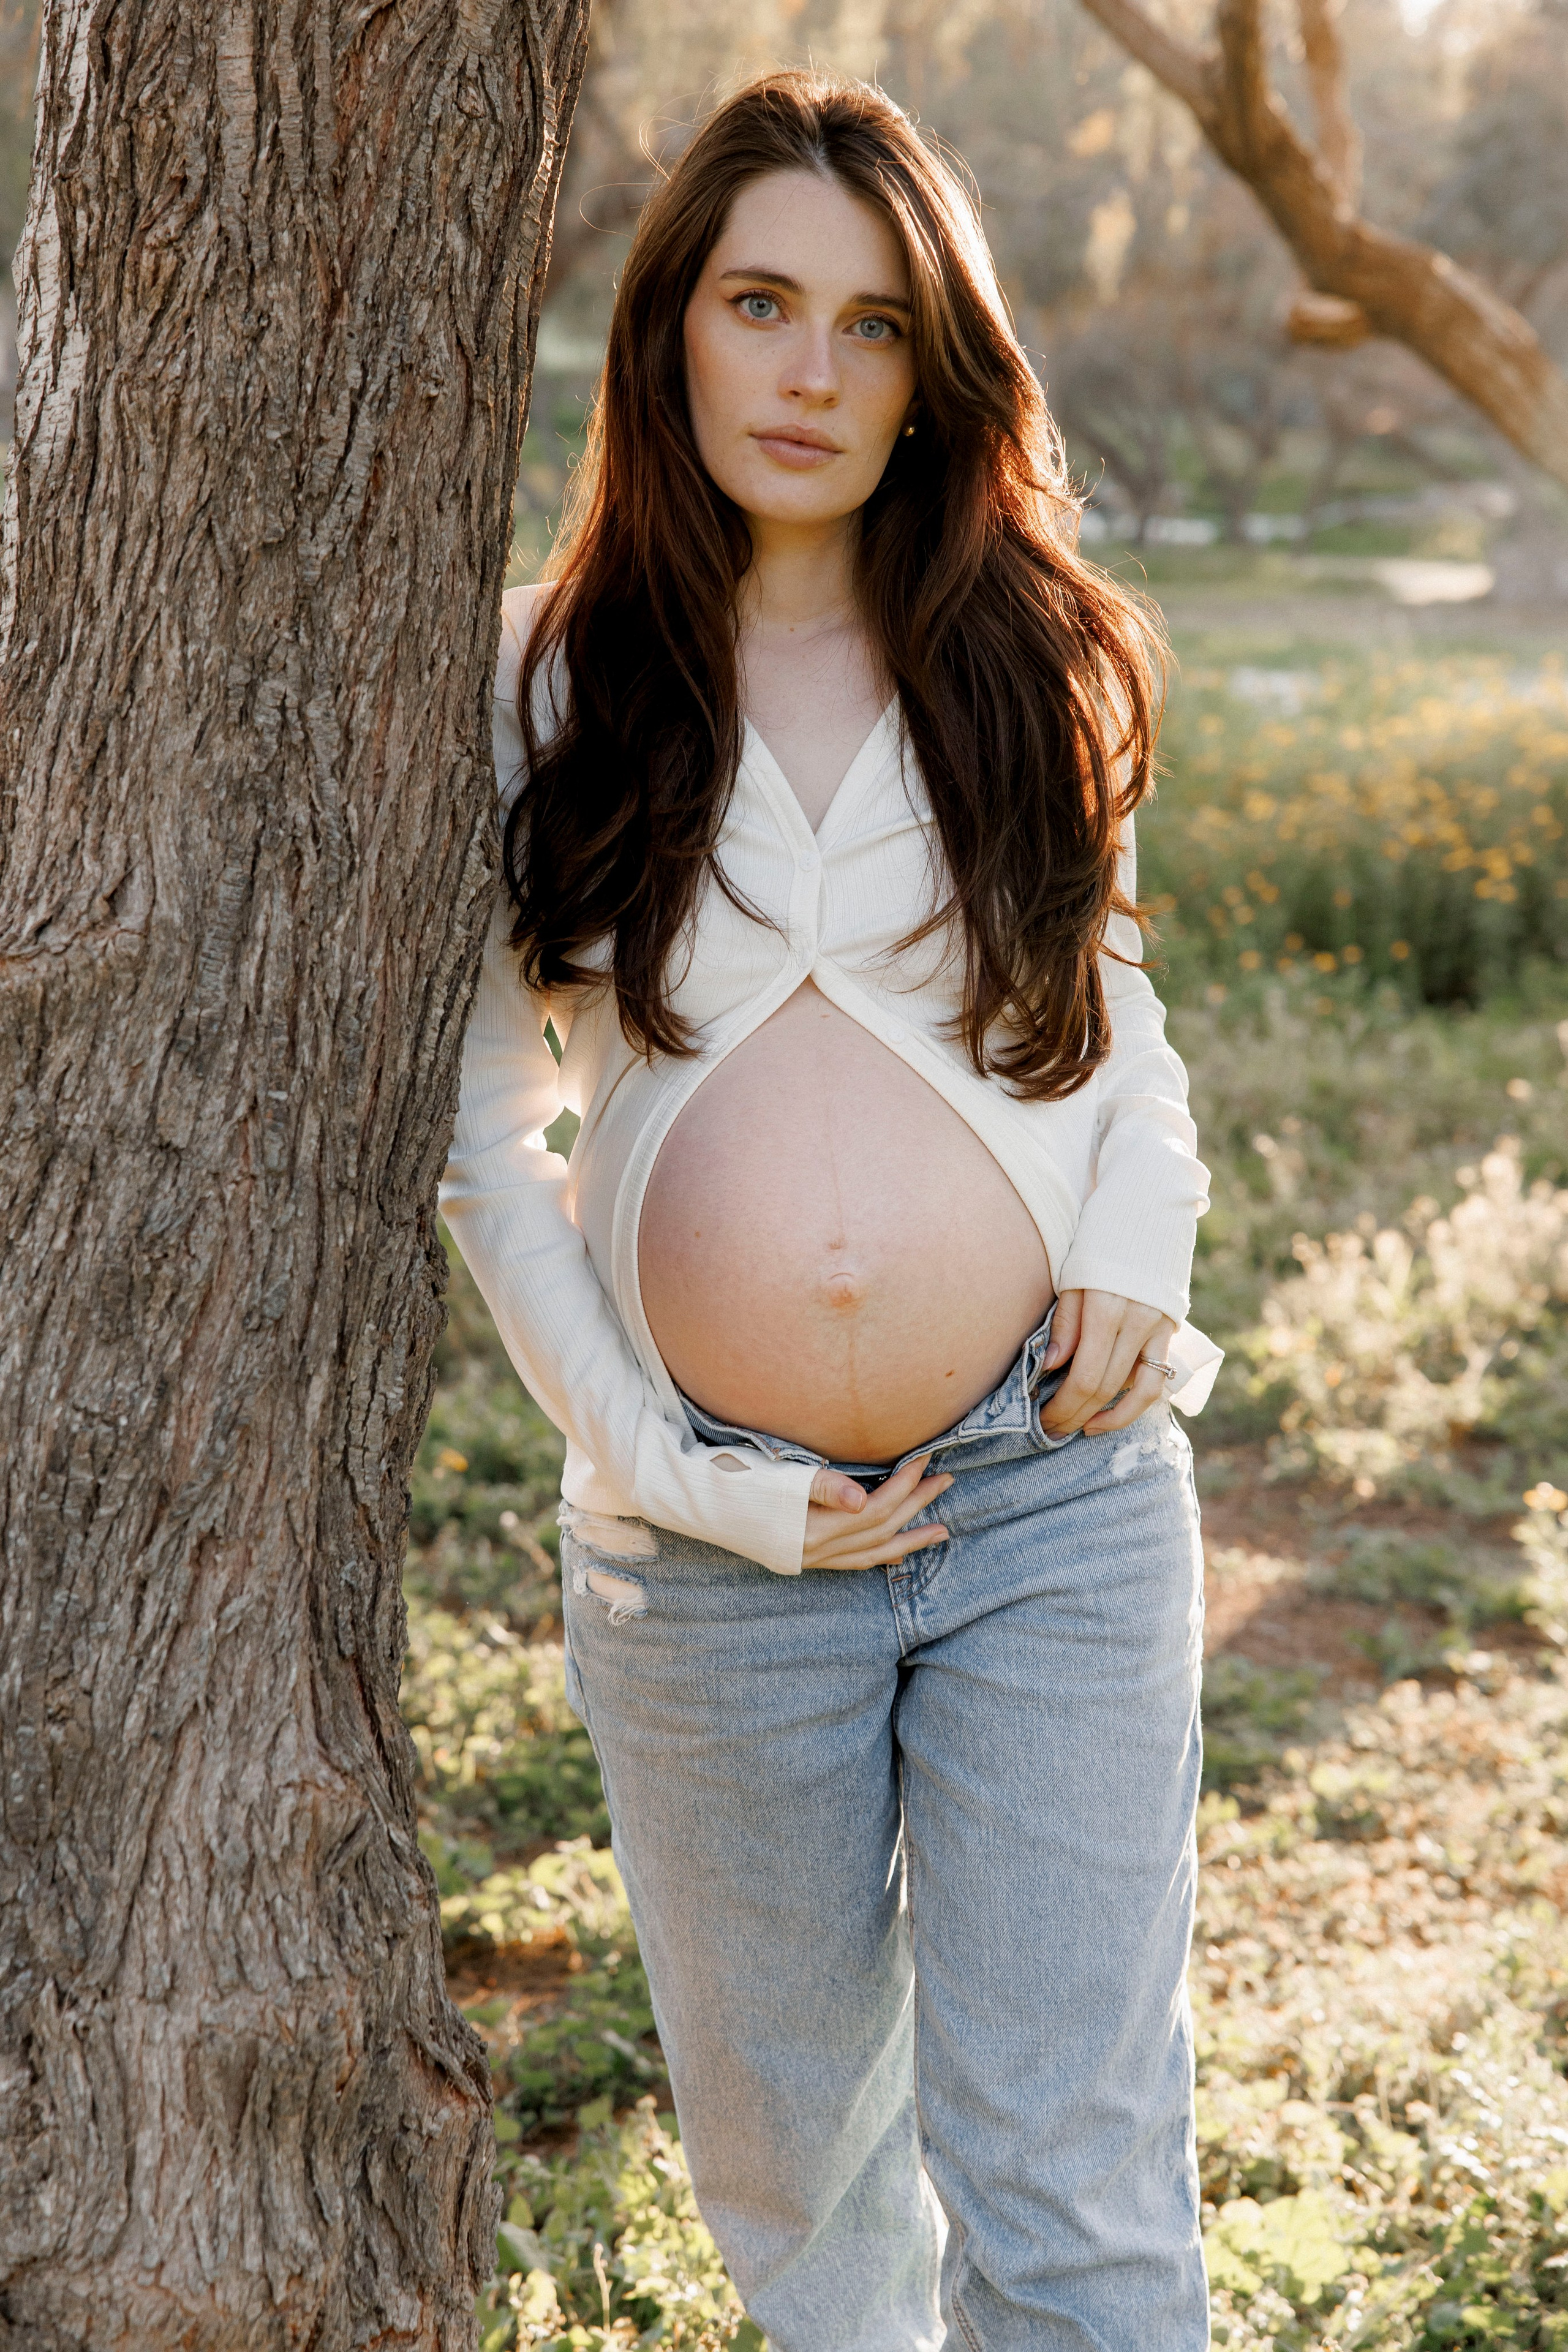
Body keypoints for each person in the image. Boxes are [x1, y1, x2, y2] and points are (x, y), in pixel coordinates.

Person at [442, 68, 1221, 2351]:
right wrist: (667, 1470)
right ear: (669, 327)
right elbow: (490, 1138)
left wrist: (1139, 1246)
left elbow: (1120, 1020)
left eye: (874, 325)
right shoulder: (534, 683)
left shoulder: (1029, 653)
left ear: (931, 370)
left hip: (1052, 1491)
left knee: (1078, 2186)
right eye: (760, 303)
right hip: (705, 1559)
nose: (811, 371)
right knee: (807, 2214)